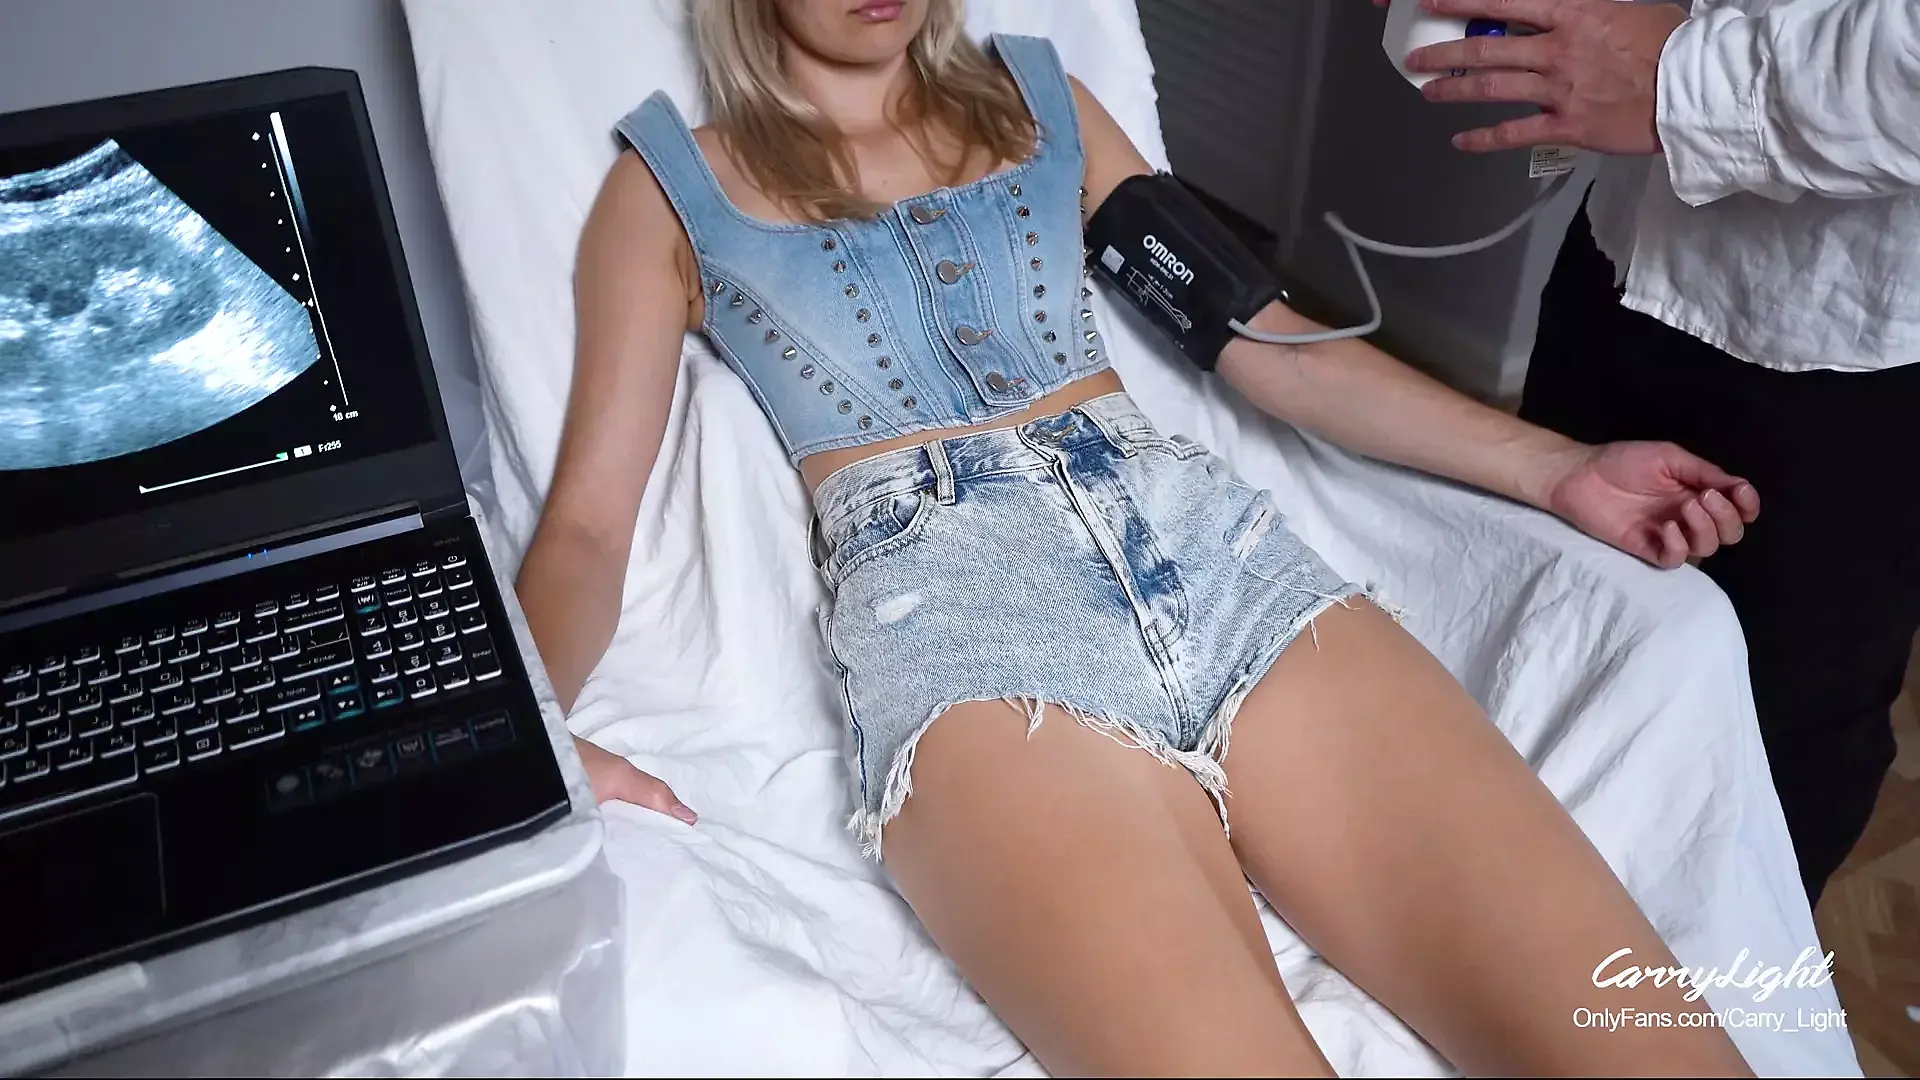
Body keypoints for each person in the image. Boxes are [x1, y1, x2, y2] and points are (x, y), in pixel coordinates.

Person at [517, 1, 1759, 1073]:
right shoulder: (668, 189)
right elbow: (584, 530)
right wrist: (523, 739)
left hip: (1227, 570)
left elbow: (1268, 345)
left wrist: (1559, 469)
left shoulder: (1038, 106)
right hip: (971, 654)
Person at [1405, 0, 1920, 907]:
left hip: (1859, 338)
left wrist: (1686, 86)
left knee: (1773, 733)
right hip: (1632, 242)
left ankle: (1700, 980)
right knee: (1542, 615)